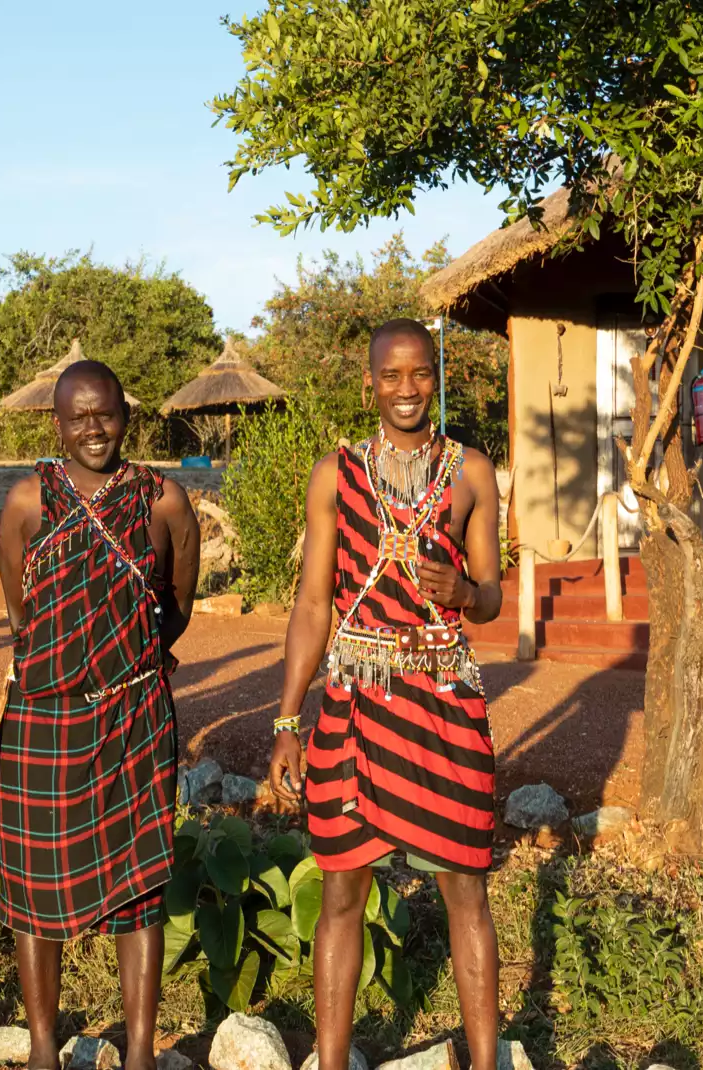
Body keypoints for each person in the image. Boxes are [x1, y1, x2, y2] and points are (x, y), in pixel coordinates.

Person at [267, 319, 504, 1070]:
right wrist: (286, 718)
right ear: (368, 383)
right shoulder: (333, 475)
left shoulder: (470, 471)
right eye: (391, 376)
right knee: (342, 892)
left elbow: (493, 593)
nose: (407, 390)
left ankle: (486, 1059)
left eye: (420, 375)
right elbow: (311, 606)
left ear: (437, 377)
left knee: (467, 885)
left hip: (444, 698)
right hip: (355, 703)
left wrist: (465, 588)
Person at [0, 360, 200, 1070]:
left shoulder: (163, 501)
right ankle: (44, 1052)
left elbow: (176, 605)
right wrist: (67, 662)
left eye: (105, 414)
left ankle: (139, 1053)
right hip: (43, 720)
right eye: (77, 417)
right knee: (31, 888)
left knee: (139, 888)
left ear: (126, 416)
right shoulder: (27, 501)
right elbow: (22, 611)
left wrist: (122, 661)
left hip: (134, 717)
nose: (93, 429)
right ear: (56, 423)